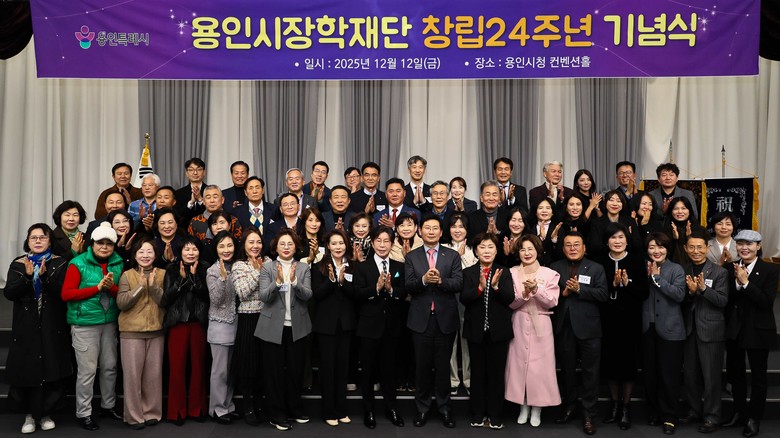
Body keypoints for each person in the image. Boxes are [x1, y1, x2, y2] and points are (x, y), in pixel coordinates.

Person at [4, 224, 71, 434]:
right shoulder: (18, 263)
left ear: (50, 241)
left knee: (50, 368)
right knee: (29, 370)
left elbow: (63, 293)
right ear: (28, 241)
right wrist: (27, 277)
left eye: (43, 237)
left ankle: (46, 413)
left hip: (52, 324)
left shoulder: (60, 263)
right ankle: (30, 415)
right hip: (26, 325)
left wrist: (44, 278)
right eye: (34, 238)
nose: (38, 241)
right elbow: (10, 293)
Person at [61, 222, 125, 431]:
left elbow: (122, 294)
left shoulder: (118, 263)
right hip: (85, 324)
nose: (104, 247)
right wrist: (97, 288)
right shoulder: (77, 263)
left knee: (110, 367)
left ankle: (108, 406)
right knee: (87, 371)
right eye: (100, 243)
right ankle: (84, 413)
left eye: (109, 243)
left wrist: (111, 287)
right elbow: (66, 294)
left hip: (110, 322)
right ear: (92, 244)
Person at [404, 215, 463, 428]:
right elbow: (408, 285)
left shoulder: (452, 255)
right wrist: (423, 280)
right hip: (420, 321)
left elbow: (458, 283)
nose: (431, 231)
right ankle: (422, 409)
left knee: (443, 367)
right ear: (420, 231)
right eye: (427, 228)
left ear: (441, 232)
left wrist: (440, 281)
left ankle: (445, 409)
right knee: (422, 367)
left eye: (435, 228)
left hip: (445, 320)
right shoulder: (412, 256)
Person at [549, 233, 608, 435]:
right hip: (564, 327)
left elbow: (603, 294)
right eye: (568, 245)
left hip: (589, 328)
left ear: (584, 248)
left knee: (591, 373)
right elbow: (548, 295)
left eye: (576, 244)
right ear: (563, 248)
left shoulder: (596, 268)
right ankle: (569, 406)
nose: (572, 248)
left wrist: (580, 289)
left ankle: (589, 413)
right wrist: (564, 293)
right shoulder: (555, 267)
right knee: (567, 371)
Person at [722, 230, 778, 438]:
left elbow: (766, 302)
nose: (744, 248)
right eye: (741, 244)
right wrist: (737, 283)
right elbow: (726, 300)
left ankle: (754, 418)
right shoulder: (729, 268)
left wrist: (745, 283)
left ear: (758, 246)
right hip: (735, 329)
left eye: (750, 244)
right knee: (735, 375)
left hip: (758, 330)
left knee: (758, 377)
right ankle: (739, 412)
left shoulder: (770, 270)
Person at [256, 228, 313, 431]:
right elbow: (264, 296)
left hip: (297, 327)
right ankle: (276, 414)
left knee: (295, 372)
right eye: (282, 244)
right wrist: (278, 282)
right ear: (276, 247)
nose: (286, 247)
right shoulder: (268, 267)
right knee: (274, 374)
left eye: (290, 244)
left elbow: (307, 295)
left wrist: (295, 282)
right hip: (272, 328)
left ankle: (294, 409)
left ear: (296, 247)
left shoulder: (303, 267)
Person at [354, 226, 407, 429]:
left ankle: (391, 408)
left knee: (389, 371)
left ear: (392, 244)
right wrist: (375, 289)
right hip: (369, 326)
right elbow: (357, 294)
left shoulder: (399, 266)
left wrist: (391, 289)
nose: (382, 245)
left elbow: (404, 292)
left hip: (392, 327)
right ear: (373, 242)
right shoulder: (362, 267)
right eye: (378, 241)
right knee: (367, 371)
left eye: (386, 241)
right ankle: (368, 410)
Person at [461, 232, 515, 430]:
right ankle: (477, 413)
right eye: (482, 247)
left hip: (498, 332)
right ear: (476, 251)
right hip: (476, 330)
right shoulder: (468, 272)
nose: (486, 251)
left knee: (496, 375)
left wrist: (496, 287)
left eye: (490, 247)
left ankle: (495, 415)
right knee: (477, 374)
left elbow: (510, 299)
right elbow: (464, 299)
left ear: (496, 250)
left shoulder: (504, 271)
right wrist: (480, 288)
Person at [506, 234, 561, 428]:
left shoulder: (550, 274)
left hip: (542, 324)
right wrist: (525, 294)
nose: (527, 253)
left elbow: (552, 301)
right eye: (522, 249)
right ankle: (523, 406)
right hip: (519, 321)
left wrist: (536, 290)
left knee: (540, 369)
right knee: (519, 366)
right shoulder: (512, 273)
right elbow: (510, 302)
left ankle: (537, 408)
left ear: (538, 251)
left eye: (530, 249)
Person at [598, 222, 649, 430]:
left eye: (621, 237)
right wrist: (612, 285)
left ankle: (626, 408)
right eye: (613, 238)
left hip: (630, 321)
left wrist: (627, 284)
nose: (617, 241)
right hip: (608, 321)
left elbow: (644, 293)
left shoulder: (637, 261)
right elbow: (599, 293)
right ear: (606, 241)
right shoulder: (601, 262)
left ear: (627, 241)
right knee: (611, 365)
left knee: (628, 365)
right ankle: (614, 406)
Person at [680, 230, 729, 433]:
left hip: (711, 330)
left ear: (707, 248)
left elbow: (722, 300)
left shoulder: (719, 272)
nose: (696, 251)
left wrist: (702, 290)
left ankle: (711, 416)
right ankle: (694, 410)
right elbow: (680, 300)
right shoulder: (682, 270)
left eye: (700, 247)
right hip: (688, 329)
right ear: (685, 249)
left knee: (711, 378)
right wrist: (690, 293)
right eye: (691, 247)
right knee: (690, 375)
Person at [116, 236, 166, 429]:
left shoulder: (162, 274)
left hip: (156, 331)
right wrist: (140, 287)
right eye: (141, 252)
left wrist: (152, 287)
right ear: (135, 255)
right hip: (131, 332)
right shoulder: (127, 275)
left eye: (149, 251)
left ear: (155, 255)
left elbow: (164, 302)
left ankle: (152, 413)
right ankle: (134, 416)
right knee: (132, 377)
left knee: (153, 376)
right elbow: (122, 303)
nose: (145, 255)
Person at [161, 236, 210, 425]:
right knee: (176, 369)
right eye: (187, 249)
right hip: (177, 324)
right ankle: (176, 411)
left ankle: (197, 409)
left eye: (194, 249)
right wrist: (180, 281)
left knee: (199, 368)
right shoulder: (171, 269)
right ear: (180, 251)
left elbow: (208, 296)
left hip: (198, 323)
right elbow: (165, 299)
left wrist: (196, 279)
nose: (190, 253)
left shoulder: (205, 268)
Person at [642, 232, 686, 434]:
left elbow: (679, 295)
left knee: (669, 376)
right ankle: (654, 412)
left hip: (670, 330)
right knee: (650, 374)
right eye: (652, 247)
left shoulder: (676, 269)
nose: (656, 251)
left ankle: (670, 416)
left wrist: (657, 278)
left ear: (667, 249)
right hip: (646, 328)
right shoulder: (641, 266)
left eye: (660, 247)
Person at [311, 229, 357, 426]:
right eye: (334, 243)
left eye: (341, 243)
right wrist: (332, 281)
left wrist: (343, 283)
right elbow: (317, 295)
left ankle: (341, 410)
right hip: (326, 326)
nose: (338, 247)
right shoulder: (319, 267)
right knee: (327, 369)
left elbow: (356, 294)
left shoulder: (352, 266)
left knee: (342, 369)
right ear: (328, 246)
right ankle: (329, 412)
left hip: (346, 325)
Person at [230, 228, 266, 425]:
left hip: (267, 318)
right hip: (247, 318)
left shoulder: (268, 261)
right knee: (247, 365)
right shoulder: (238, 265)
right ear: (244, 245)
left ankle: (260, 405)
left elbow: (272, 289)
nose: (255, 246)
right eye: (251, 242)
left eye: (258, 242)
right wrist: (258, 272)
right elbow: (243, 293)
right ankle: (248, 406)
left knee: (262, 364)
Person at [442, 212, 478, 394]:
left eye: (461, 226)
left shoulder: (474, 248)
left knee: (466, 340)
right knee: (450, 341)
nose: (457, 230)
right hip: (447, 298)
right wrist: (456, 256)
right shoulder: (443, 248)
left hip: (467, 299)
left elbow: (474, 274)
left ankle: (469, 379)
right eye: (454, 226)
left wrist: (462, 257)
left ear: (467, 229)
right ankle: (452, 380)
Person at [206, 231, 239, 425]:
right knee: (220, 372)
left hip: (236, 324)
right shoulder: (212, 270)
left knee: (231, 370)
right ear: (216, 249)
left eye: (229, 245)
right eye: (222, 246)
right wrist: (223, 279)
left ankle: (228, 405)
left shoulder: (237, 266)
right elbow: (216, 299)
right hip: (220, 326)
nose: (226, 250)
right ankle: (217, 409)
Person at [188, 185, 242, 251]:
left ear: (222, 200)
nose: (212, 201)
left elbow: (238, 245)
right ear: (203, 201)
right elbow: (191, 245)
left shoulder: (233, 220)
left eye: (215, 197)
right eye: (208, 197)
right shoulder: (195, 221)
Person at [663, 196, 706, 264]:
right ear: (671, 211)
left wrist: (689, 238)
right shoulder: (664, 230)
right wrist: (675, 239)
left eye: (683, 208)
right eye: (676, 208)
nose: (680, 211)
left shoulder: (700, 230)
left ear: (689, 211)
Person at [174, 157, 208, 223]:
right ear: (186, 173)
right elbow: (177, 215)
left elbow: (213, 212)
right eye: (191, 170)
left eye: (199, 169)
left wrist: (200, 199)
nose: (195, 173)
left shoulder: (211, 191)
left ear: (204, 172)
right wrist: (190, 203)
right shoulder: (179, 193)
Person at [527, 197, 560, 266]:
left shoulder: (558, 229)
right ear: (535, 212)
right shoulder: (529, 229)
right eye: (540, 208)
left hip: (553, 267)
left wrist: (554, 240)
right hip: (533, 266)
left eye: (548, 208)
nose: (544, 211)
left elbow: (561, 253)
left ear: (552, 212)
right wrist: (540, 238)